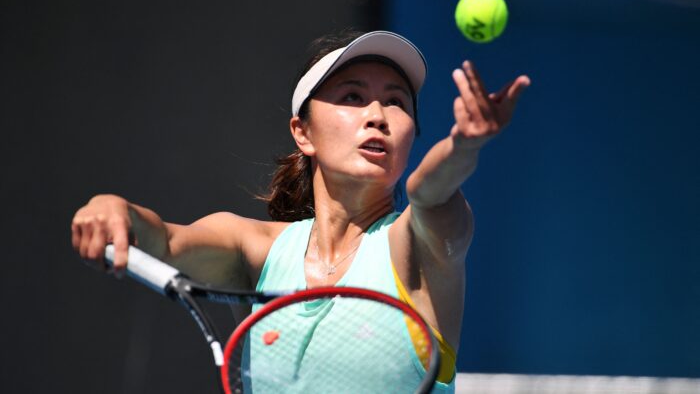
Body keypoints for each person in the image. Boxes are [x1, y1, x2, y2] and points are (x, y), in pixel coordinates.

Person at [71, 29, 530, 392]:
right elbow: (163, 242)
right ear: (302, 132)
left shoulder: (420, 245)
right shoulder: (253, 247)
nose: (377, 114)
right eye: (352, 96)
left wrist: (462, 146)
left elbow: (429, 190)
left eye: (396, 101)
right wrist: (111, 208)